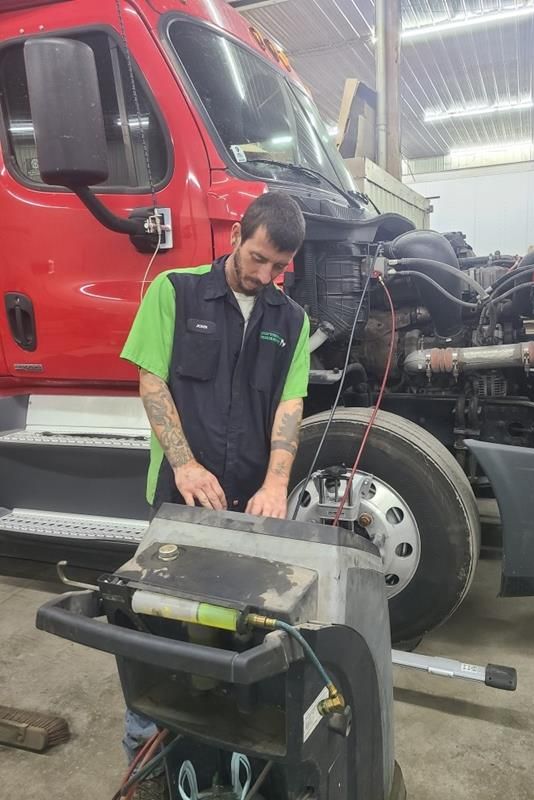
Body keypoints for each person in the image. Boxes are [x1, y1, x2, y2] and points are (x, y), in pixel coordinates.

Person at [119, 191, 309, 799]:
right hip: (180, 499)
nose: (264, 276)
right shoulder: (173, 292)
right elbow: (152, 380)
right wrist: (185, 464)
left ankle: (228, 752)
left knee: (242, 633)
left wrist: (277, 482)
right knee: (160, 627)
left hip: (248, 505)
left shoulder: (291, 321)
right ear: (235, 236)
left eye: (278, 267)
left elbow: (288, 403)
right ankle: (144, 749)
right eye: (257, 258)